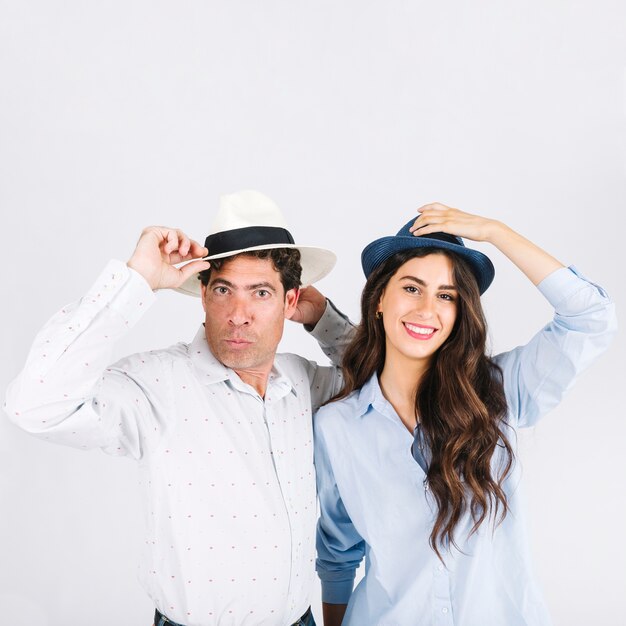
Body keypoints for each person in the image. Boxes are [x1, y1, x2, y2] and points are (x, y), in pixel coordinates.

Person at [5, 190, 355, 626]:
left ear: (289, 302)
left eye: (261, 292)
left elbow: (390, 382)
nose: (239, 314)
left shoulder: (306, 383)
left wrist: (327, 320)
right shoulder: (157, 383)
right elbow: (35, 405)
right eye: (224, 289)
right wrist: (135, 281)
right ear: (203, 295)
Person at [314, 203, 617, 626]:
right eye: (411, 288)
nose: (426, 309)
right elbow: (337, 554)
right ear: (380, 298)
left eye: (446, 296)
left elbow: (590, 317)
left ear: (460, 314)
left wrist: (495, 232)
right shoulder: (335, 426)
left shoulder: (500, 392)